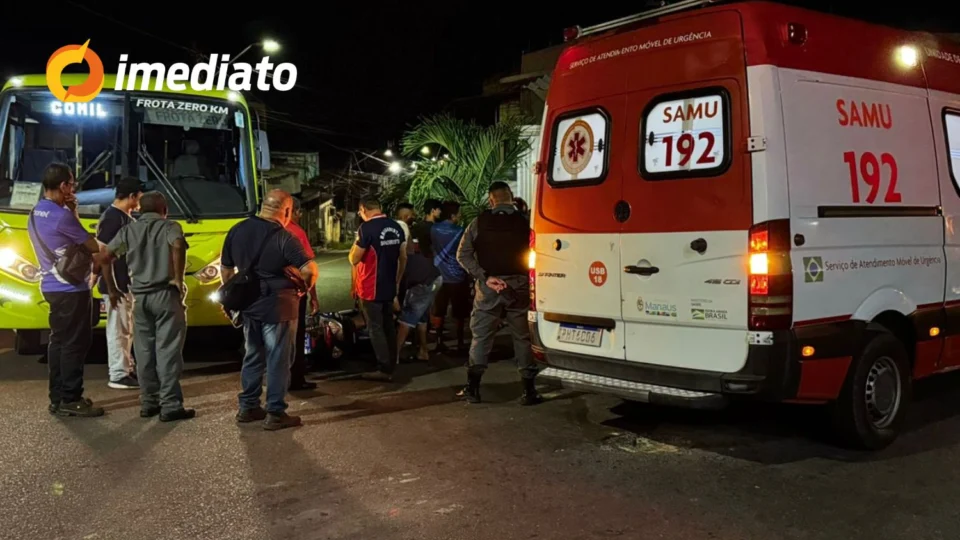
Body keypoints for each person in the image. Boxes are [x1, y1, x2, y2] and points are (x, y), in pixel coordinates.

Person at [221, 189, 319, 431]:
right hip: (279, 306)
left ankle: (248, 406)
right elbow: (310, 270)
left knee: (253, 354)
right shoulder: (284, 237)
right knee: (278, 358)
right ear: (285, 210)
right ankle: (275, 412)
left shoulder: (237, 230)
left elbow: (226, 270)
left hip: (249, 305)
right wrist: (303, 289)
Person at [101, 192, 195, 422]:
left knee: (143, 352)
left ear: (140, 210)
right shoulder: (169, 227)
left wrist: (112, 289)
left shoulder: (128, 231)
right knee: (168, 351)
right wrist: (178, 279)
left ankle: (148, 402)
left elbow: (104, 257)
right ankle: (170, 405)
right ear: (165, 210)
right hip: (165, 296)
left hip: (140, 299)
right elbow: (178, 244)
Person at [27, 163, 104, 417]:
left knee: (58, 342)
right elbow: (92, 245)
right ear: (63, 186)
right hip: (72, 288)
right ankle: (72, 398)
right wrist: (74, 211)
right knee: (75, 343)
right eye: (72, 184)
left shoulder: (36, 212)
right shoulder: (63, 216)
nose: (73, 189)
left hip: (50, 285)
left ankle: (57, 398)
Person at [456, 181, 541, 406]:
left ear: (491, 199)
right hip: (520, 285)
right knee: (522, 337)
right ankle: (528, 391)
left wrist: (484, 276)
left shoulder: (479, 222)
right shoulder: (526, 222)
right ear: (511, 197)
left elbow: (462, 255)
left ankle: (472, 389)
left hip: (489, 287)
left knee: (481, 336)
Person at [349, 198, 406, 381]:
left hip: (370, 286)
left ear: (363, 208)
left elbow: (354, 259)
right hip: (389, 285)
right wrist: (396, 282)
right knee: (388, 325)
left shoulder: (366, 229)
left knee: (375, 326)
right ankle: (391, 363)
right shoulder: (396, 227)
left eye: (359, 212)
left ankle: (383, 368)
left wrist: (353, 247)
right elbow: (403, 258)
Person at [96, 176, 144, 391]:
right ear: (133, 196)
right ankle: (118, 374)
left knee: (126, 329)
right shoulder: (113, 218)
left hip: (123, 283)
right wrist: (112, 287)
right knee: (118, 330)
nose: (141, 200)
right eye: (140, 195)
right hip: (116, 285)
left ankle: (127, 368)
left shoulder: (121, 217)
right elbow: (103, 254)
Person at [286, 197, 320, 391]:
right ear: (295, 211)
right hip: (294, 291)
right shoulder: (296, 232)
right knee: (295, 336)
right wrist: (313, 297)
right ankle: (295, 378)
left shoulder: (260, 229)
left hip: (266, 294)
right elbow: (308, 269)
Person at [430, 201, 470, 353]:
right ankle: (460, 342)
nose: (460, 216)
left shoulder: (433, 229)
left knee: (438, 310)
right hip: (458, 276)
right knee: (459, 312)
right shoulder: (460, 231)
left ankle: (439, 341)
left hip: (439, 275)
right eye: (458, 213)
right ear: (453, 215)